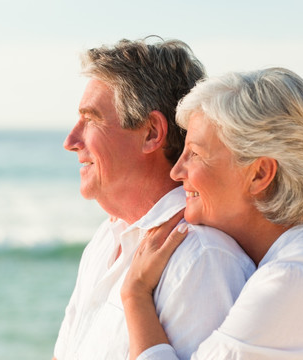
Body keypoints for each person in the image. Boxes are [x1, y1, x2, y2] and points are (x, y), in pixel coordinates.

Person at [122, 67, 303, 359]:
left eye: (194, 153)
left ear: (259, 174)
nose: (177, 170)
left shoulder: (291, 279)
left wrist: (136, 294)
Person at [53, 37, 256, 360]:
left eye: (90, 119)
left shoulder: (203, 260)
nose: (71, 140)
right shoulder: (106, 239)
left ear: (151, 133)